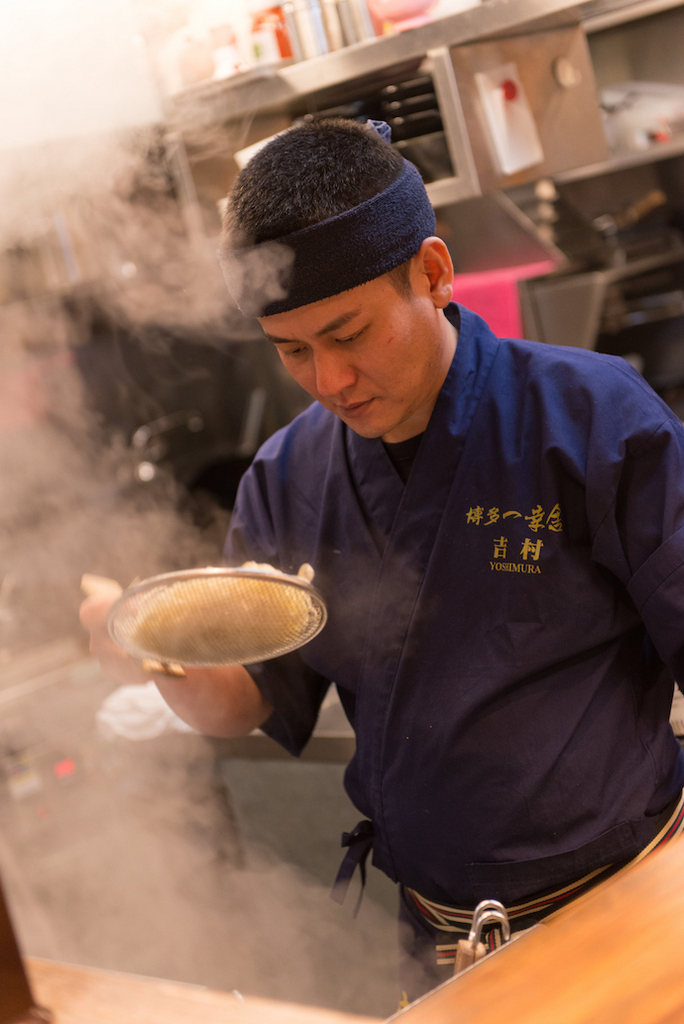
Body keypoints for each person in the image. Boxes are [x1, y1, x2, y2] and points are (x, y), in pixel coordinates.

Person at [81, 117, 684, 1001]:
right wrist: (155, 647)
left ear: (433, 274)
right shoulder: (290, 476)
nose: (328, 381)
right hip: (444, 945)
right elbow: (244, 700)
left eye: (350, 334)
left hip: (633, 900)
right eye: (292, 350)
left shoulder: (589, 418)